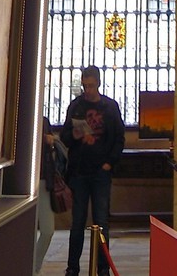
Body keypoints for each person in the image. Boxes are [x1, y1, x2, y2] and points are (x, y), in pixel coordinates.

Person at [62, 64, 125, 276]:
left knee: (101, 221)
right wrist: (75, 135)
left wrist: (110, 163)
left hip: (100, 172)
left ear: (98, 83)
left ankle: (103, 268)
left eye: (90, 86)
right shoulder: (76, 107)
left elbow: (119, 138)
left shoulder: (110, 107)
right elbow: (65, 137)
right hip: (79, 171)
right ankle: (73, 267)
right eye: (84, 86)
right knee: (77, 222)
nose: (87, 90)